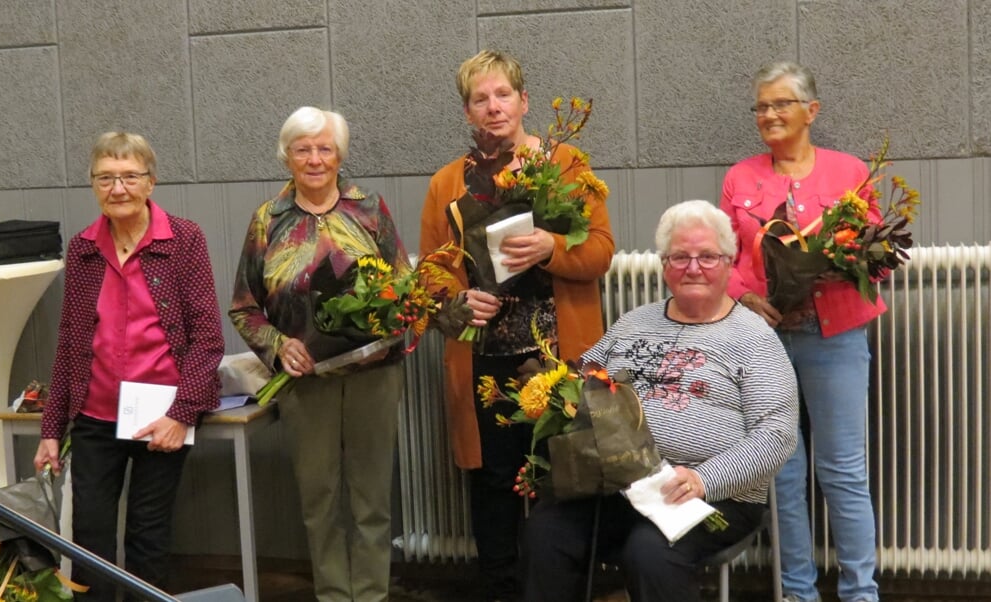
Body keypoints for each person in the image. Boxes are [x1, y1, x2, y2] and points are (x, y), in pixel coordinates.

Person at [522, 199, 799, 602]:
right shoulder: (634, 322)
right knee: (545, 532)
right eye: (679, 256)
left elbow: (775, 435)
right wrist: (558, 392)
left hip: (713, 494)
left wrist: (704, 479)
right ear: (664, 264)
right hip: (619, 486)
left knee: (649, 552)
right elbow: (586, 376)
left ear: (728, 261)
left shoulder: (754, 339)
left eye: (707, 257)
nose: (692, 267)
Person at [418, 49, 615, 601]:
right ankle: (505, 592)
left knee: (569, 482)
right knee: (493, 488)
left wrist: (552, 246)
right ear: (467, 112)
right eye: (480, 99)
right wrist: (457, 303)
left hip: (560, 360)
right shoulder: (447, 184)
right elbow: (431, 276)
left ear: (524, 101)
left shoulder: (565, 163)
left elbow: (600, 252)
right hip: (484, 362)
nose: (493, 107)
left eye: (503, 94)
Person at [33, 132, 225, 601]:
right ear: (93, 185)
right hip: (96, 415)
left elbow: (207, 337)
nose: (117, 188)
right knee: (89, 541)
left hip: (162, 416)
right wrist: (52, 428)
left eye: (129, 177)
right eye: (105, 178)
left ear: (151, 183)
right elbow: (70, 343)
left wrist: (182, 414)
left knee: (149, 537)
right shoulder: (82, 249)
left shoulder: (183, 239)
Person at [719, 61, 884, 602]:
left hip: (834, 337)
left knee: (843, 473)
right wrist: (743, 294)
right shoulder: (740, 178)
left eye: (780, 104)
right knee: (782, 477)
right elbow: (728, 256)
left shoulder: (850, 172)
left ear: (811, 111)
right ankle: (797, 593)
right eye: (761, 107)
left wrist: (843, 261)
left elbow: (879, 258)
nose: (768, 115)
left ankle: (862, 593)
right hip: (765, 342)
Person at [229, 106, 409, 602]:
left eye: (324, 148)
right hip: (306, 383)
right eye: (302, 149)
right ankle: (332, 595)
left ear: (339, 155)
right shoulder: (268, 220)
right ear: (286, 156)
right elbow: (245, 308)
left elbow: (403, 288)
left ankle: (371, 595)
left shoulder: (368, 208)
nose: (314, 159)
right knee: (319, 500)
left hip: (374, 373)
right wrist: (278, 345)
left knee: (372, 497)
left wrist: (390, 322)